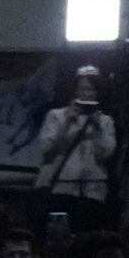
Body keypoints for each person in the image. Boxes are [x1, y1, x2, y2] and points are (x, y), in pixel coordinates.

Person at [34, 65, 119, 217]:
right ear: (75, 91)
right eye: (83, 89)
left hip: (92, 191)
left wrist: (97, 128)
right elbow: (46, 148)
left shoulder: (105, 121)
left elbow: (104, 155)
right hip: (60, 187)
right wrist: (67, 123)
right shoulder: (56, 116)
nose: (87, 94)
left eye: (92, 90)